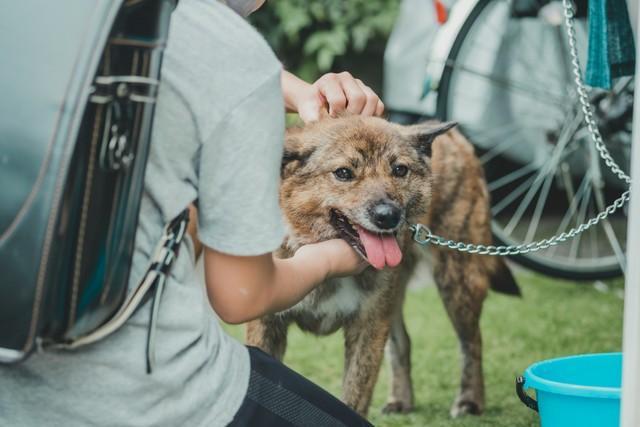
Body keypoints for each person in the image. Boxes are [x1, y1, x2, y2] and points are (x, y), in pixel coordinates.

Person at [0, 0, 385, 426]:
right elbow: (243, 297)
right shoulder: (232, 55)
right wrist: (330, 258)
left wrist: (293, 90)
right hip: (152, 396)